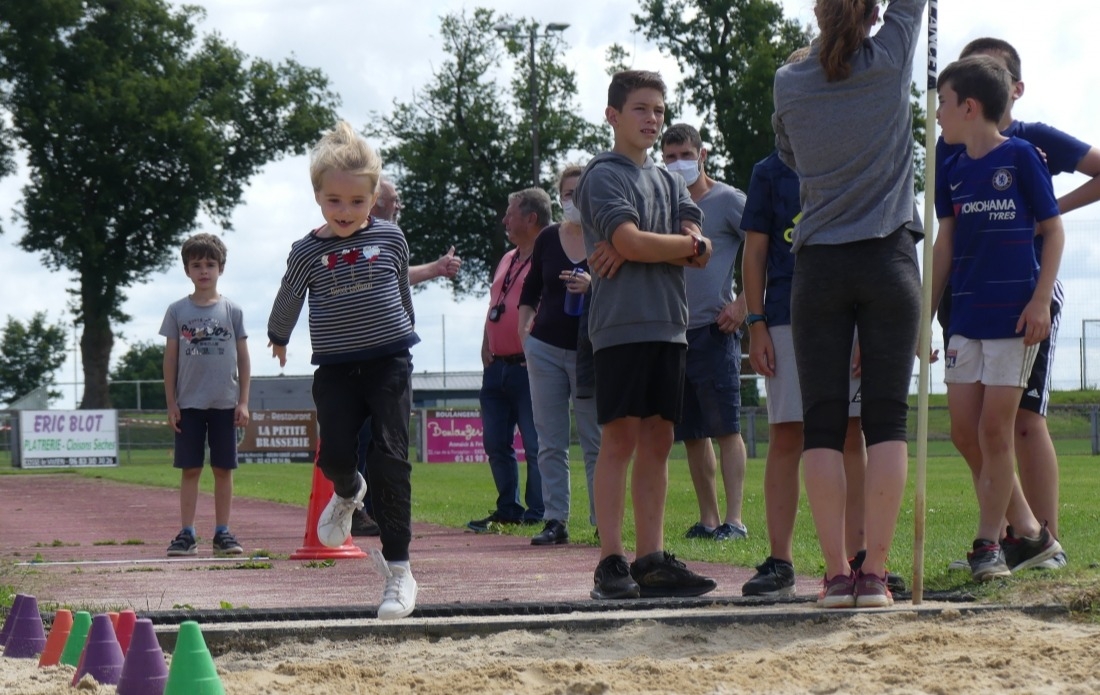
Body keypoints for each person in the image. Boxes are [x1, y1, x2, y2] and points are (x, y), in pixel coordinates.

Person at [771, 0, 925, 608]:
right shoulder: (890, 59)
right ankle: (875, 575)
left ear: (817, 11)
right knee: (886, 421)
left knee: (823, 426)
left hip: (820, 265)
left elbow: (788, 156)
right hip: (887, 259)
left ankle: (838, 575)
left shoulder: (789, 81)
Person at [937, 38, 1100, 570]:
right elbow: (946, 233)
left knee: (1021, 422)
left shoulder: (1031, 144)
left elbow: (1067, 210)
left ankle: (1037, 539)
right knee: (972, 428)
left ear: (1011, 89)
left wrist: (1040, 214)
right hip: (968, 300)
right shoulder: (951, 150)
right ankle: (1022, 531)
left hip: (1024, 296)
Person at [267, 121, 418, 620]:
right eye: (334, 201)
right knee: (334, 456)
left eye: (357, 202)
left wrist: (406, 332)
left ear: (374, 197)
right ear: (318, 197)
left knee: (391, 459)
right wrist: (279, 335)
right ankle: (348, 492)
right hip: (335, 366)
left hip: (389, 361)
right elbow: (289, 295)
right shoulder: (308, 250)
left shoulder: (392, 238)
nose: (346, 212)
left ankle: (398, 573)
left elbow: (401, 290)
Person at [576, 69, 716, 600]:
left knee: (659, 439)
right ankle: (611, 559)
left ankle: (651, 559)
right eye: (640, 108)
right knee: (620, 438)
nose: (652, 118)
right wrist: (665, 245)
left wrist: (655, 244)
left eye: (658, 109)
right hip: (620, 326)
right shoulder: (602, 175)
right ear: (612, 116)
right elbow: (636, 243)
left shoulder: (667, 179)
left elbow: (700, 247)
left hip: (670, 325)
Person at [738, 148, 882, 595]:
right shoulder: (769, 170)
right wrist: (756, 323)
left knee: (850, 432)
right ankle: (781, 561)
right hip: (785, 315)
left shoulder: (852, 154)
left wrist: (867, 325)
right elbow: (755, 252)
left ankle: (856, 560)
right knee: (787, 432)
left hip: (850, 313)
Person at [351, 177, 462, 538]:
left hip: (390, 351)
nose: (398, 206)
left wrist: (436, 269)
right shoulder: (359, 236)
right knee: (361, 436)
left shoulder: (390, 238)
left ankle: (375, 510)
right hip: (360, 354)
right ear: (373, 202)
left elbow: (398, 277)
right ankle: (354, 507)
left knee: (386, 437)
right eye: (393, 200)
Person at [659, 123, 749, 542]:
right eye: (669, 156)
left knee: (726, 427)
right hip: (674, 333)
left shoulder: (728, 200)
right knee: (693, 433)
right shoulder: (662, 205)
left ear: (702, 154)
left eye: (683, 154)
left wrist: (745, 305)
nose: (677, 163)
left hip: (716, 330)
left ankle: (735, 520)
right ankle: (708, 519)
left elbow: (768, 250)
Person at [516, 166, 601, 546]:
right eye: (567, 194)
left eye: (581, 192)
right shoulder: (548, 239)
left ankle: (605, 521)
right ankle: (555, 520)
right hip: (546, 349)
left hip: (590, 351)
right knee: (550, 440)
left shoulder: (608, 235)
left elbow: (626, 284)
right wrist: (525, 334)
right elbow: (530, 290)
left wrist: (593, 283)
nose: (573, 200)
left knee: (594, 440)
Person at [161, 232, 251, 558]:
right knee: (191, 469)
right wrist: (171, 403)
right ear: (187, 269)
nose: (204, 271)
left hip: (225, 403)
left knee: (223, 469)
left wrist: (243, 400)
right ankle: (187, 532)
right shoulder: (177, 311)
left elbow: (243, 358)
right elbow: (170, 359)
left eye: (210, 264)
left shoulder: (232, 311)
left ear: (220, 268)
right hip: (189, 404)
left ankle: (222, 532)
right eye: (196, 265)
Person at [466, 188, 546, 533]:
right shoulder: (507, 258)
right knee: (495, 442)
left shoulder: (549, 255)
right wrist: (486, 341)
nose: (504, 220)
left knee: (534, 442)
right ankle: (508, 506)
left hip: (530, 367)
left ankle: (539, 510)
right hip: (496, 366)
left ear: (531, 218)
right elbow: (494, 304)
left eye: (510, 214)